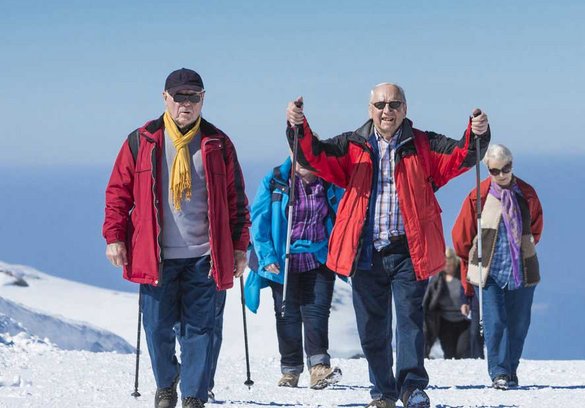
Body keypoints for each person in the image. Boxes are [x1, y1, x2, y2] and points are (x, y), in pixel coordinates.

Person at [285, 83, 490, 408]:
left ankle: (411, 388)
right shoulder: (352, 144)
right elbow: (314, 155)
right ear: (370, 109)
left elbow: (461, 156)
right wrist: (298, 126)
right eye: (380, 104)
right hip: (365, 251)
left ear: (405, 109)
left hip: (409, 250)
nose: (387, 111)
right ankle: (383, 393)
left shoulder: (422, 144)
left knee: (410, 321)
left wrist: (476, 132)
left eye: (394, 104)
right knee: (371, 328)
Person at [103, 68, 251, 408]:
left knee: (201, 331)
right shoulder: (141, 140)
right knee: (157, 328)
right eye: (179, 95)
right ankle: (167, 383)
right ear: (165, 98)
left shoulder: (218, 143)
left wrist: (240, 245)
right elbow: (118, 194)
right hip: (156, 256)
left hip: (205, 255)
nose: (186, 103)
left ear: (202, 99)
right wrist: (115, 237)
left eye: (193, 96)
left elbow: (236, 200)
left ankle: (194, 396)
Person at [244, 156, 344, 389]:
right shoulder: (276, 180)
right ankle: (290, 370)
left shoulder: (329, 182)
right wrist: (266, 256)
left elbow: (341, 214)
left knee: (317, 312)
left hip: (318, 256)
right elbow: (259, 219)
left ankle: (319, 367)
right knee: (287, 315)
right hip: (282, 259)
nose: (302, 159)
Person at [452, 144, 543, 390]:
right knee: (495, 322)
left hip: (522, 271)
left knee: (519, 323)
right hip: (490, 272)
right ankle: (499, 372)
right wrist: (468, 270)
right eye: (495, 170)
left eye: (507, 168)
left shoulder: (526, 193)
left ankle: (511, 370)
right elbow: (461, 238)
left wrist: (524, 247)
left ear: (512, 164)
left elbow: (536, 227)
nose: (501, 174)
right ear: (488, 170)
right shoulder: (478, 197)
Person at [423, 248, 470, 360]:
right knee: (449, 355)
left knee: (462, 353)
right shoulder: (437, 279)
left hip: (464, 322)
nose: (447, 268)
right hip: (445, 322)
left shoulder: (463, 276)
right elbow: (428, 300)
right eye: (445, 265)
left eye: (449, 265)